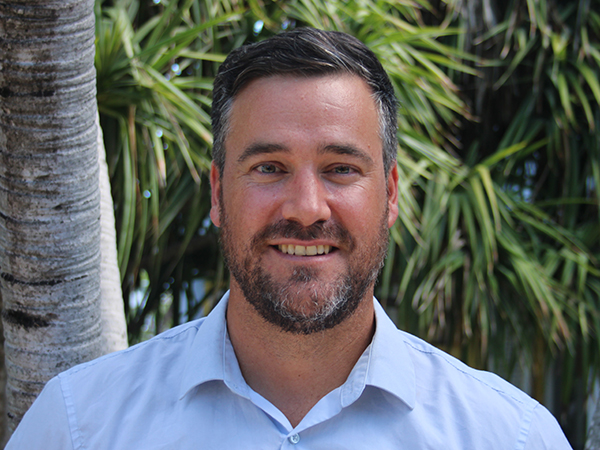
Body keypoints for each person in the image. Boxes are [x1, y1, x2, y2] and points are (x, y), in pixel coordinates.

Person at [7, 27, 572, 449]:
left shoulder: (510, 436)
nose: (306, 208)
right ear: (218, 192)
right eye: (269, 168)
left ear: (391, 193)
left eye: (341, 169)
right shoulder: (78, 427)